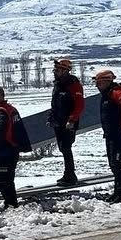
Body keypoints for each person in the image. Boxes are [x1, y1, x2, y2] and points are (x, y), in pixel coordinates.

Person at [94, 70, 121, 203]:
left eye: (99, 83)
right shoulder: (107, 94)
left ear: (107, 81)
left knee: (117, 164)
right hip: (111, 135)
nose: (97, 86)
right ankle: (118, 192)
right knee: (114, 164)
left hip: (118, 135)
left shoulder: (115, 93)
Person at [0, 87, 31, 208]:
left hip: (5, 152)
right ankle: (11, 202)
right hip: (11, 150)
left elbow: (0, 130)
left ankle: (11, 204)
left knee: (3, 180)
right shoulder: (10, 109)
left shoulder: (1, 111)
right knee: (8, 179)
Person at [48, 57, 84, 185]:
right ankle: (68, 174)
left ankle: (70, 175)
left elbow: (79, 105)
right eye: (55, 69)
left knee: (66, 147)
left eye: (57, 69)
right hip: (58, 121)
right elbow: (55, 103)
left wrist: (72, 120)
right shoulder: (58, 84)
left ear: (65, 70)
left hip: (69, 123)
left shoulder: (73, 84)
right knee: (63, 148)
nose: (55, 71)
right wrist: (52, 117)